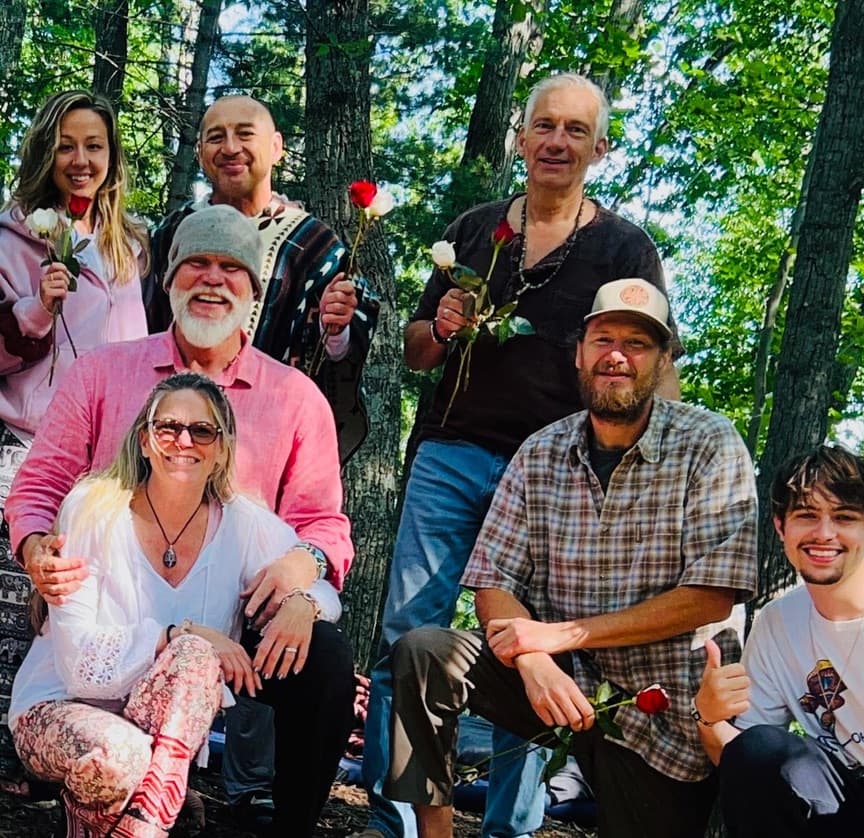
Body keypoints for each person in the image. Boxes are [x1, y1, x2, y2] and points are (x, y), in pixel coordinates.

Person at [358, 72, 683, 838]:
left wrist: (656, 461)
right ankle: (395, 819)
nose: (557, 142)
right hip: (451, 453)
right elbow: (413, 356)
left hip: (559, 472)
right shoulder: (473, 231)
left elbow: (650, 364)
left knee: (531, 645)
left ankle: (510, 827)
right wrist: (440, 325)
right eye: (545, 126)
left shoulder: (625, 246)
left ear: (599, 148)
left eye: (576, 130)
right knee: (408, 632)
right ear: (521, 138)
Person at [5, 204, 356, 833]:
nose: (213, 280)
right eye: (197, 263)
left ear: (254, 290)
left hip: (238, 608)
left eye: (232, 269)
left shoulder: (296, 398)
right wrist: (37, 550)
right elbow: (41, 483)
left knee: (326, 659)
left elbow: (324, 526)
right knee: (127, 705)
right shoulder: (102, 373)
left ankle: (289, 826)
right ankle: (128, 789)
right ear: (168, 280)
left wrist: (304, 583)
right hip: (109, 608)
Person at [384, 278, 757, 838]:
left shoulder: (708, 442)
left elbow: (711, 596)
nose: (617, 356)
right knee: (424, 652)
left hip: (664, 719)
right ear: (579, 353)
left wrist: (559, 637)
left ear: (662, 361)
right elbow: (493, 580)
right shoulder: (541, 451)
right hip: (559, 683)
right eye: (603, 338)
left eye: (637, 344)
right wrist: (532, 660)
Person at [10, 372, 339, 837]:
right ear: (144, 440)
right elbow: (80, 667)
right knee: (126, 747)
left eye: (202, 431)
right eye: (168, 427)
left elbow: (324, 589)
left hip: (163, 732)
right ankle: (139, 807)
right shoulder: (94, 509)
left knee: (195, 659)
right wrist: (180, 634)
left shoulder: (245, 524)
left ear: (222, 448)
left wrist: (302, 601)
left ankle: (141, 822)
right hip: (62, 708)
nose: (184, 441)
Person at [0, 89, 149, 786]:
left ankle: (60, 749)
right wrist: (38, 306)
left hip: (106, 458)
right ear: (45, 152)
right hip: (26, 440)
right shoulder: (12, 236)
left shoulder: (129, 245)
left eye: (94, 145)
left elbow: (139, 347)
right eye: (66, 145)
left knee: (81, 604)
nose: (81, 159)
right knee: (13, 598)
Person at [694, 446, 864, 836]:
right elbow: (741, 760)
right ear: (780, 527)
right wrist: (708, 716)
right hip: (848, 810)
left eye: (844, 518)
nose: (824, 534)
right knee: (760, 750)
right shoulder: (779, 622)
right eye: (806, 516)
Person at [145, 94, 379, 464]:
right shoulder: (170, 233)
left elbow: (338, 364)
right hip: (168, 438)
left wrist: (337, 331)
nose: (231, 148)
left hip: (265, 445)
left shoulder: (313, 245)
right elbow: (144, 328)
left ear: (276, 148)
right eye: (217, 136)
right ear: (202, 151)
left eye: (245, 134)